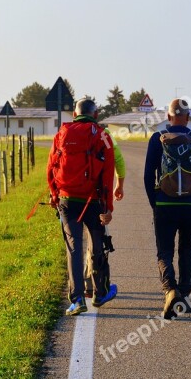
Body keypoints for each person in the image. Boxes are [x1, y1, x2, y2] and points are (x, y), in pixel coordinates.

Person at [144, 98, 191, 319]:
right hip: (190, 204)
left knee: (164, 251)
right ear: (188, 117)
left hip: (164, 203)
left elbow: (147, 175)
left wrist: (154, 201)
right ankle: (183, 295)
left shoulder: (157, 139)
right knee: (186, 249)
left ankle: (170, 290)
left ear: (168, 116)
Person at [48, 99, 118, 316]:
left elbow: (51, 167)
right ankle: (99, 293)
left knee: (74, 248)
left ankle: (77, 299)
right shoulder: (103, 136)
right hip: (94, 201)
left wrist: (54, 196)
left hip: (67, 200)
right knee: (97, 246)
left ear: (74, 115)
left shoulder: (61, 134)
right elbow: (107, 174)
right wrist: (108, 208)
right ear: (95, 115)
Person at [83, 126, 125, 297]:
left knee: (79, 245)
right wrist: (119, 185)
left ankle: (82, 288)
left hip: (71, 197)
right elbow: (119, 160)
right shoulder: (104, 135)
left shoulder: (71, 134)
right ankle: (95, 287)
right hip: (95, 197)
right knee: (96, 242)